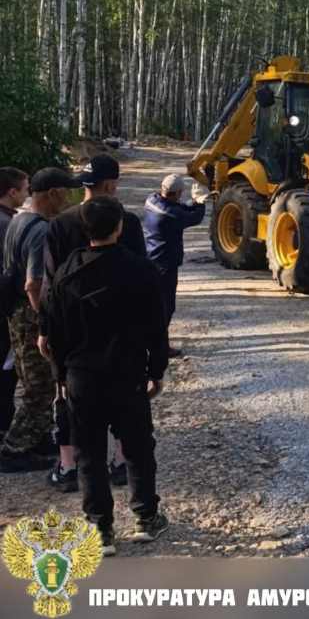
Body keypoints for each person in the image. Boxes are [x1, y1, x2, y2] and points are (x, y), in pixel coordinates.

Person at [44, 197, 169, 557]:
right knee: (137, 447)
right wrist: (156, 370)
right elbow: (156, 327)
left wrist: (60, 376)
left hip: (82, 376)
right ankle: (146, 518)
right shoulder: (141, 270)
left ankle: (100, 528)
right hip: (127, 373)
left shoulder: (67, 272)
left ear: (85, 229)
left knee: (89, 453)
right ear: (119, 228)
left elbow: (54, 333)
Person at [39, 154, 146, 492]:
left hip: (73, 328)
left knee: (68, 393)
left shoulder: (59, 224)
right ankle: (119, 461)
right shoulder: (126, 222)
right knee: (122, 394)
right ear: (111, 185)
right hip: (120, 327)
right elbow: (143, 278)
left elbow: (49, 285)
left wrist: (45, 329)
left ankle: (71, 465)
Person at [0, 168, 79, 472]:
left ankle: (38, 437)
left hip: (16, 314)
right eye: (66, 192)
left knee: (33, 378)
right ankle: (13, 448)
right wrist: (47, 321)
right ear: (53, 194)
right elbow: (34, 284)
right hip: (31, 315)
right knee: (41, 386)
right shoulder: (41, 230)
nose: (70, 198)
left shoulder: (19, 218)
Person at [142, 174, 207, 357]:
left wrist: (191, 202)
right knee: (165, 307)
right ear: (177, 193)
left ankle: (153, 342)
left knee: (155, 305)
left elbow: (178, 208)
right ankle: (160, 347)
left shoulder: (152, 201)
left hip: (151, 258)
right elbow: (194, 218)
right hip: (165, 265)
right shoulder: (171, 215)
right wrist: (200, 203)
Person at [0, 167, 30, 433]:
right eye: (25, 188)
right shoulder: (7, 224)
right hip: (5, 306)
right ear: (12, 192)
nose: (27, 193)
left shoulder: (8, 219)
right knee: (6, 370)